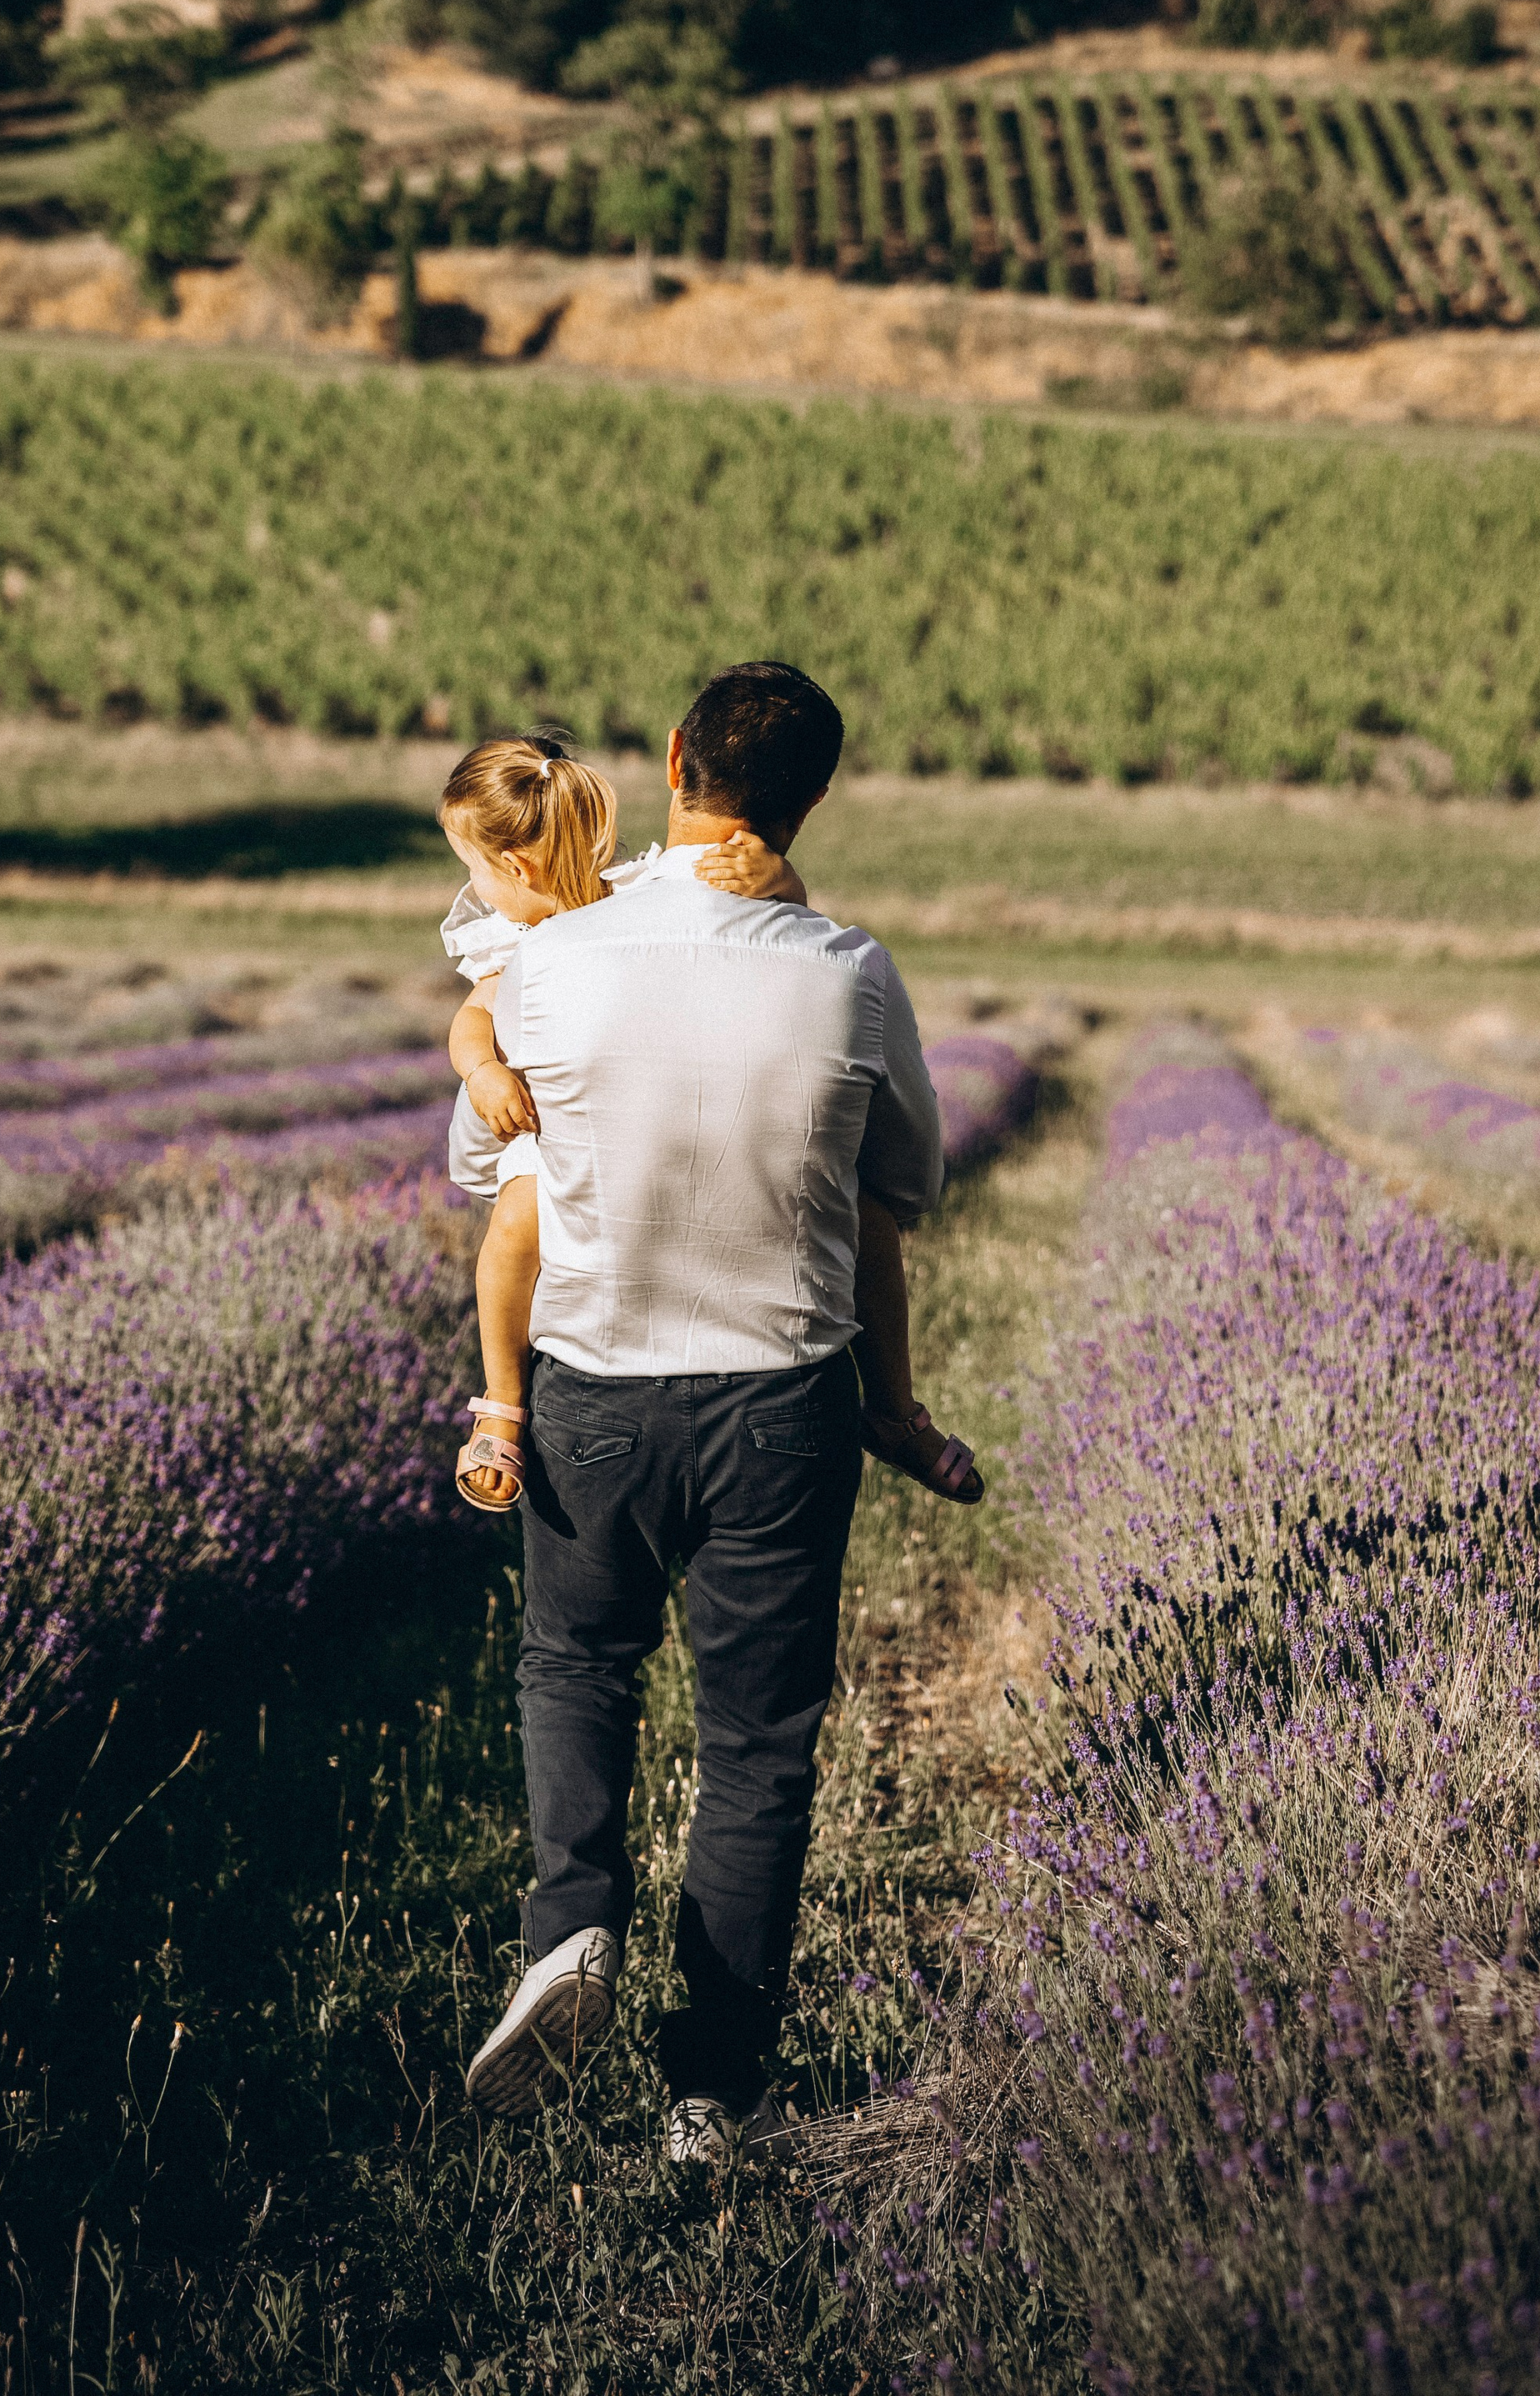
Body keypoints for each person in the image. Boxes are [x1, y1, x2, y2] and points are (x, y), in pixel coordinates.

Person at [452, 664, 948, 2165]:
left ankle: (571, 1927)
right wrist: (896, 1405)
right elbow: (897, 1192)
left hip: (595, 1391)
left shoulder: (554, 963)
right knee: (756, 1749)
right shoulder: (850, 969)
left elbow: (496, 1177)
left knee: (576, 1666)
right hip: (780, 1407)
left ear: (673, 761)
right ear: (811, 800)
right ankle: (711, 2097)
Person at [437, 732, 982, 1518]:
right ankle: (501, 1400)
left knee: (577, 1646)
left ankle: (894, 1411)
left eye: (475, 872)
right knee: (521, 1218)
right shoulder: (520, 949)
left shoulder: (623, 902)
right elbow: (472, 1027)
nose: (473, 891)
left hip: (609, 1368)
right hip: (776, 1366)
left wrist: (786, 889)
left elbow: (467, 1159)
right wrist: (484, 1070)